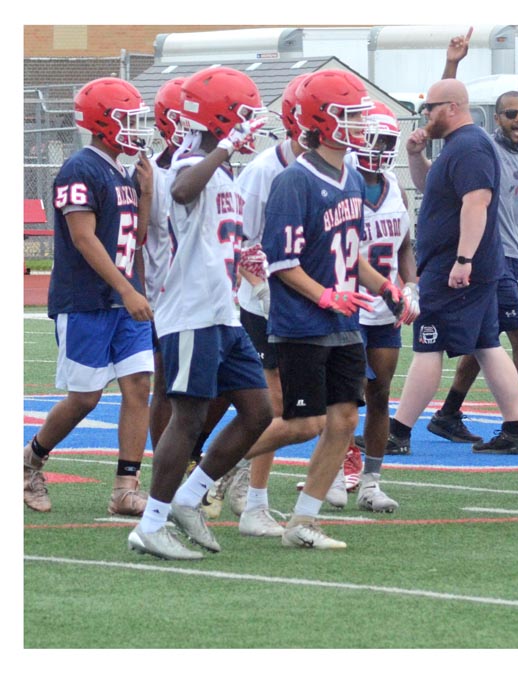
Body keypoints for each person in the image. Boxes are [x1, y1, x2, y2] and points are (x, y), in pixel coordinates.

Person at [127, 66, 274, 560]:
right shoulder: (177, 164)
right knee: (187, 418)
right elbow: (183, 190)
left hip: (223, 312)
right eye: (244, 117)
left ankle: (187, 499)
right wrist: (227, 146)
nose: (251, 127)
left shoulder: (222, 167)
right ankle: (151, 522)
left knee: (258, 411)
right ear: (222, 117)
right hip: (189, 311)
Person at [259, 69, 409, 550]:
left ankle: (304, 521)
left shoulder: (350, 178)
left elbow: (353, 255)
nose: (361, 126)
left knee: (344, 420)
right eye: (350, 116)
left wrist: (387, 286)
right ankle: (207, 465)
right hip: (305, 321)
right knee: (305, 423)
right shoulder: (294, 180)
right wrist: (324, 295)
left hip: (346, 320)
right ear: (322, 121)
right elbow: (281, 261)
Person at [427, 30, 518, 450]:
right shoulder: (481, 148)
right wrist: (453, 63)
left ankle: (448, 412)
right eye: (511, 114)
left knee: (483, 341)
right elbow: (444, 110)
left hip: (514, 260)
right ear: (497, 119)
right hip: (489, 257)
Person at [24, 77, 155, 516]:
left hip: (122, 300)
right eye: (127, 119)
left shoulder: (123, 170)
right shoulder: (80, 168)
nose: (136, 128)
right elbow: (84, 238)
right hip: (87, 300)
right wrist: (124, 287)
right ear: (103, 122)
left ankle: (125, 487)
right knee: (86, 397)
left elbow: (134, 238)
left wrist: (148, 191)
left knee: (139, 385)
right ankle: (30, 460)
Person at [387, 78, 518, 456]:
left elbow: (476, 203)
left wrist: (463, 259)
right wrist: (417, 155)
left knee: (427, 343)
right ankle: (517, 429)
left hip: (456, 266)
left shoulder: (469, 146)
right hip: (465, 264)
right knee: (487, 344)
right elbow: (431, 186)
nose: (425, 116)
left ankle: (398, 432)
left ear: (451, 107)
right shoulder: (460, 146)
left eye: (429, 108)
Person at [206, 72, 310, 538]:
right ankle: (232, 481)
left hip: (307, 300)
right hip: (264, 300)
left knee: (306, 411)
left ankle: (235, 478)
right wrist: (264, 290)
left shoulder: (332, 169)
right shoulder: (264, 173)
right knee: (277, 404)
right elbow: (241, 243)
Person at [325, 101, 420, 511]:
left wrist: (411, 285)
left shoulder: (394, 186)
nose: (380, 148)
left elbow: (405, 245)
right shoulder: (340, 184)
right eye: (373, 138)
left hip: (386, 307)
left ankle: (371, 481)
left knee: (380, 394)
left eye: (386, 141)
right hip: (349, 304)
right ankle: (332, 470)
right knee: (345, 397)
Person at [146, 77, 231, 480]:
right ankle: (167, 472)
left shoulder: (211, 165)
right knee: (165, 383)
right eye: (177, 119)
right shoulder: (156, 171)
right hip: (165, 288)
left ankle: (189, 457)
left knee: (224, 384)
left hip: (206, 290)